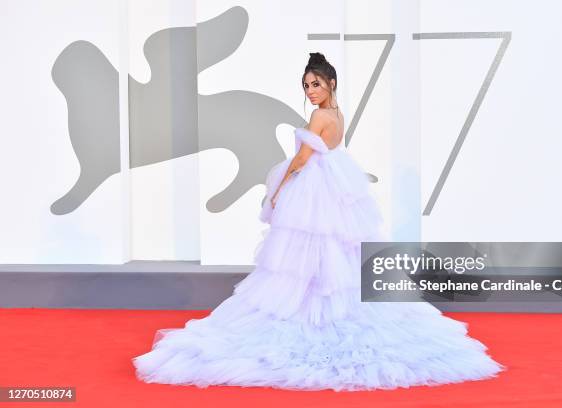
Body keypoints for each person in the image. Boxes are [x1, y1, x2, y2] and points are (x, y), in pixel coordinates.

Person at [132, 52, 505, 391]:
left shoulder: (319, 116)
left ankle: (308, 311)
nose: (310, 91)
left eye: (316, 84)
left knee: (307, 247)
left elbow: (303, 158)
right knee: (334, 249)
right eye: (306, 86)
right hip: (335, 184)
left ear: (331, 84)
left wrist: (278, 188)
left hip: (314, 185)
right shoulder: (339, 116)